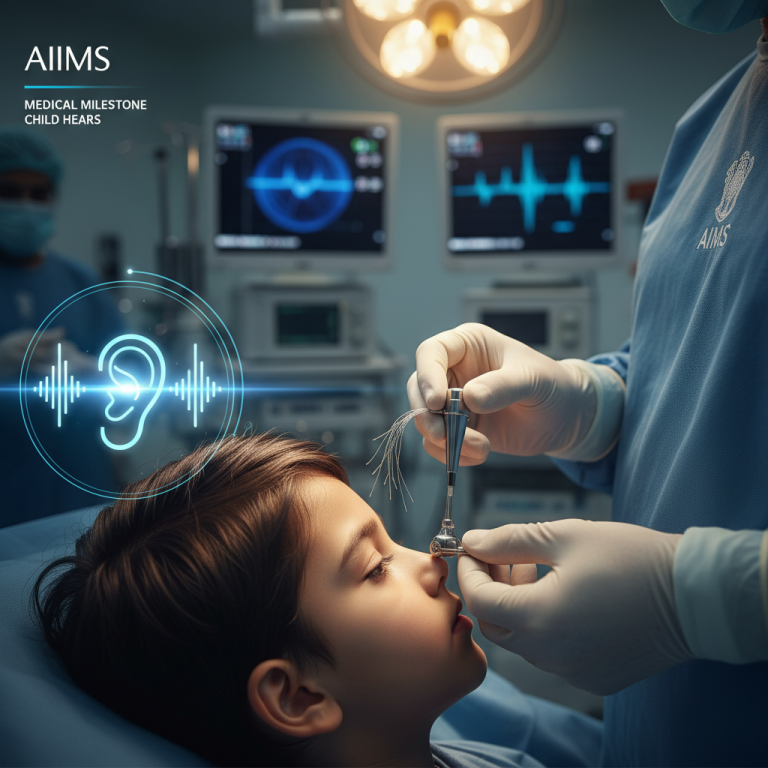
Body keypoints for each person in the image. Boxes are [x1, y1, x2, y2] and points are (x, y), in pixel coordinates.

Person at [409, 5, 768, 767]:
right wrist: (586, 406)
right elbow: (698, 368)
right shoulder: (711, 123)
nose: (417, 561)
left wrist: (709, 597)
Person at [0, 128, 125, 525]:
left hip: (81, 493)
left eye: (38, 195)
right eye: (10, 191)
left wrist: (96, 374)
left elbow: (128, 382)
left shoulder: (80, 282)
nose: (25, 204)